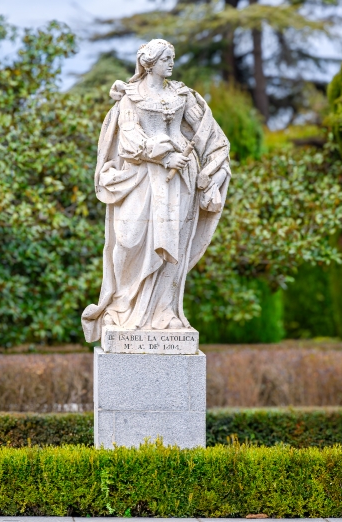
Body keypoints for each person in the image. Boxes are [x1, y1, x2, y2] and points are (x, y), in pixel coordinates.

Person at [82, 39, 231, 343]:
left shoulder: (182, 96)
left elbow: (210, 137)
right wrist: (164, 155)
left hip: (178, 182)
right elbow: (128, 139)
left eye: (172, 57)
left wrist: (212, 170)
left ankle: (164, 312)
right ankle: (123, 306)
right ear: (149, 62)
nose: (171, 63)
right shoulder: (130, 97)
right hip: (139, 177)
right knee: (128, 240)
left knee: (172, 246)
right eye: (165, 58)